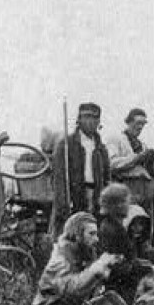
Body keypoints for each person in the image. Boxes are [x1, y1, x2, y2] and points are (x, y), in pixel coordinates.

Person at [28, 212, 121, 305]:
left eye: (96, 234)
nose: (96, 239)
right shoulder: (60, 259)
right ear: (77, 235)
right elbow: (71, 290)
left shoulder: (85, 253)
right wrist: (97, 268)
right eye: (91, 234)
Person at [50, 102, 111, 239]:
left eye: (95, 118)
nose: (91, 121)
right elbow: (58, 177)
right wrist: (63, 204)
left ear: (99, 121)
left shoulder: (101, 148)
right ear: (79, 119)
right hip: (74, 194)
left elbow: (107, 177)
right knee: (71, 235)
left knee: (91, 234)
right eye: (87, 117)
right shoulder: (66, 145)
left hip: (95, 195)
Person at [97, 183, 152, 303]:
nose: (129, 205)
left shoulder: (115, 226)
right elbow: (116, 265)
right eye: (127, 201)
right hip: (119, 290)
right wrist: (142, 268)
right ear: (118, 205)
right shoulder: (111, 230)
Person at [106, 108, 153, 181]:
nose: (140, 127)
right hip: (120, 184)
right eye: (138, 123)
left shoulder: (143, 146)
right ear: (129, 122)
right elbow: (111, 163)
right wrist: (136, 158)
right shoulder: (116, 139)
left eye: (143, 124)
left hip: (141, 184)